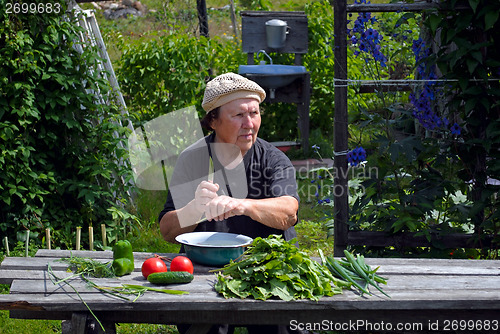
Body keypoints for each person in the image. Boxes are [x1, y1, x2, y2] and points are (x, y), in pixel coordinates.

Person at [158, 73, 306, 334]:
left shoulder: (272, 159)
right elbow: (167, 231)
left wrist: (241, 205)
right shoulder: (193, 160)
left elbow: (288, 212)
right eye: (238, 115)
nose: (249, 123)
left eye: (254, 113)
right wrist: (194, 209)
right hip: (208, 269)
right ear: (213, 121)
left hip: (268, 269)